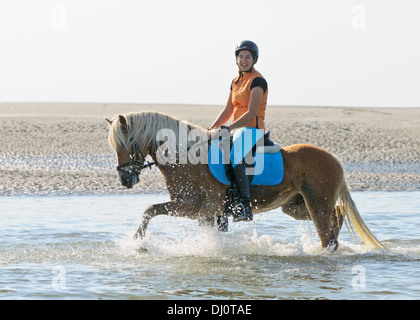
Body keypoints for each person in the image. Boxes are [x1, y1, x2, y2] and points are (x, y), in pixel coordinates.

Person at [209, 40, 268, 222]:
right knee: (214, 152)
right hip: (236, 129)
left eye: (248, 57)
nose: (244, 60)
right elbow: (228, 111)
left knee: (235, 157)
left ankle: (244, 205)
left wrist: (229, 127)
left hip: (252, 129)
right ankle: (224, 203)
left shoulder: (258, 80)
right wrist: (211, 129)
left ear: (254, 59)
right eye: (241, 56)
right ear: (236, 59)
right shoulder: (235, 81)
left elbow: (251, 112)